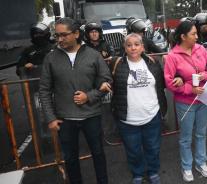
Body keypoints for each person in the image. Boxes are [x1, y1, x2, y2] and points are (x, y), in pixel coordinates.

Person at [39, 17, 112, 184]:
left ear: (76, 33)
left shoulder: (93, 55)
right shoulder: (50, 58)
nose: (59, 39)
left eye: (64, 35)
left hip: (91, 115)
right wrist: (50, 118)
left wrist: (89, 96)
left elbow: (107, 81)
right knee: (70, 159)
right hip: (65, 120)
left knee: (98, 154)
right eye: (57, 35)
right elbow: (44, 90)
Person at [164, 21, 207, 182]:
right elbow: (169, 82)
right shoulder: (173, 56)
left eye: (196, 33)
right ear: (183, 36)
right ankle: (186, 166)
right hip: (185, 102)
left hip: (203, 99)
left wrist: (205, 75)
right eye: (193, 34)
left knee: (201, 134)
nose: (196, 36)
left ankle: (201, 162)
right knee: (186, 137)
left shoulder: (200, 48)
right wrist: (189, 89)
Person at [111, 33, 167, 184]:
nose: (133, 47)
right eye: (129, 45)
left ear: (143, 47)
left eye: (136, 44)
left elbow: (162, 84)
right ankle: (137, 173)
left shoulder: (153, 62)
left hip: (152, 116)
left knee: (153, 148)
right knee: (133, 151)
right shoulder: (117, 63)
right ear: (124, 47)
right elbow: (107, 82)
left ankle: (153, 171)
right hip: (128, 119)